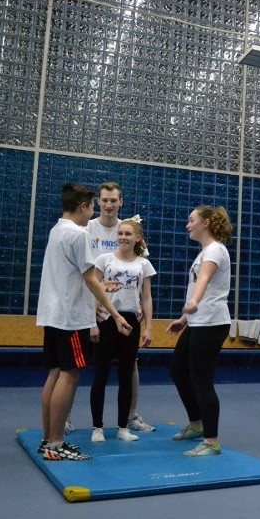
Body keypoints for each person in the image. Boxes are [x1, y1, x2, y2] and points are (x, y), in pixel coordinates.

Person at [36, 183, 132, 461]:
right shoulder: (79, 235)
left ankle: (47, 440)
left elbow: (83, 277)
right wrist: (115, 315)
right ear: (83, 206)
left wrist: (103, 285)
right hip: (71, 317)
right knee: (70, 374)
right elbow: (91, 279)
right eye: (92, 206)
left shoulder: (56, 231)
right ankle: (56, 443)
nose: (92, 212)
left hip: (53, 315)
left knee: (55, 373)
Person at [77, 181, 155, 434]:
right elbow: (84, 272)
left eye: (114, 200)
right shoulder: (86, 229)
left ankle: (130, 417)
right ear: (98, 202)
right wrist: (95, 305)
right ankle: (68, 418)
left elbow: (142, 279)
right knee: (79, 365)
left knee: (129, 366)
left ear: (121, 202)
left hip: (127, 316)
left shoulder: (129, 229)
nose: (109, 205)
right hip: (92, 311)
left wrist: (142, 312)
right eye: (104, 200)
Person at [166, 205, 233, 457]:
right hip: (197, 322)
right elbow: (200, 283)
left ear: (205, 223)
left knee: (201, 380)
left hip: (212, 323)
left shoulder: (215, 249)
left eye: (191, 220)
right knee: (178, 370)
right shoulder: (204, 251)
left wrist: (193, 303)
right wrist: (184, 318)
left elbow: (204, 280)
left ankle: (211, 440)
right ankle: (196, 424)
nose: (188, 225)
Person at [89, 219, 156, 442]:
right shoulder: (103, 260)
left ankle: (122, 427)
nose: (123, 237)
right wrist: (92, 322)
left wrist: (148, 327)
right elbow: (92, 290)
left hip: (130, 322)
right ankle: (97, 427)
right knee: (100, 375)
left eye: (128, 234)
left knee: (126, 375)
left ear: (137, 238)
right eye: (120, 233)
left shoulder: (143, 264)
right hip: (107, 320)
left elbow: (146, 297)